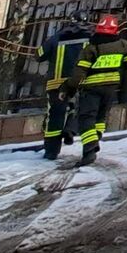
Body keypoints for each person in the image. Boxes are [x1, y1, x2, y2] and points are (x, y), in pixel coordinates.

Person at [68, 13, 127, 166]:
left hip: (91, 89)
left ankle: (90, 150)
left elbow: (79, 72)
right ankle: (96, 138)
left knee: (86, 119)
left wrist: (70, 88)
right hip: (111, 88)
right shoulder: (123, 45)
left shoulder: (92, 47)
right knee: (100, 118)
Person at [38, 15, 94, 160]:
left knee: (55, 116)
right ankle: (70, 129)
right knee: (80, 109)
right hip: (80, 82)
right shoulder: (91, 38)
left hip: (56, 84)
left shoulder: (57, 37)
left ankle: (51, 151)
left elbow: (39, 55)